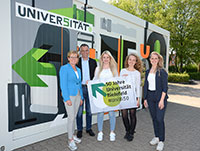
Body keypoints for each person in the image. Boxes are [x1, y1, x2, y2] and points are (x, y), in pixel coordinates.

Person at [143, 52, 168, 151]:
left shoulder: (162, 72)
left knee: (159, 119)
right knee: (154, 118)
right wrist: (145, 98)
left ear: (158, 60)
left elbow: (165, 88)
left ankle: (161, 141)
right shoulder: (147, 71)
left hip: (160, 97)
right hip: (150, 97)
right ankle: (157, 137)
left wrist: (162, 100)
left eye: (155, 58)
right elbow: (145, 85)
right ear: (150, 60)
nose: (153, 60)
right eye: (152, 58)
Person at [59, 50, 84, 151]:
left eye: (76, 57)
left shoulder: (78, 69)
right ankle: (70, 140)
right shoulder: (64, 68)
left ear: (78, 59)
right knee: (71, 118)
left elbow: (79, 84)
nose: (74, 59)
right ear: (68, 58)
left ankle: (72, 135)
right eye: (72, 57)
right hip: (69, 96)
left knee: (73, 117)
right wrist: (66, 98)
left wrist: (81, 97)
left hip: (77, 95)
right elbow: (63, 84)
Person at [93, 50, 118, 142]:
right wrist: (89, 83)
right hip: (100, 94)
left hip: (110, 95)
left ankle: (112, 132)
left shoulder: (114, 68)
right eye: (104, 57)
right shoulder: (98, 69)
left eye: (108, 57)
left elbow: (117, 81)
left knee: (112, 113)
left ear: (110, 58)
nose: (106, 59)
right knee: (100, 113)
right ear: (102, 59)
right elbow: (94, 80)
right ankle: (100, 132)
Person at [120, 53, 142, 141]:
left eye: (133, 60)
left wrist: (138, 99)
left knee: (132, 115)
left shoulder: (137, 73)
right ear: (127, 61)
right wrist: (122, 78)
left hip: (133, 96)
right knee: (124, 115)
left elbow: (138, 86)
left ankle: (131, 132)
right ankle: (127, 130)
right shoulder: (122, 71)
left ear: (136, 62)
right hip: (124, 96)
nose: (131, 61)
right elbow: (120, 84)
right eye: (130, 59)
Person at [76, 44, 97, 138]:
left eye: (86, 50)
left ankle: (89, 128)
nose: (84, 52)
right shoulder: (77, 62)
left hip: (89, 88)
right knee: (79, 111)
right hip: (80, 88)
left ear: (89, 51)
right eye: (82, 50)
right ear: (80, 52)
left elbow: (95, 76)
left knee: (89, 110)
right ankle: (79, 130)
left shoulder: (93, 62)